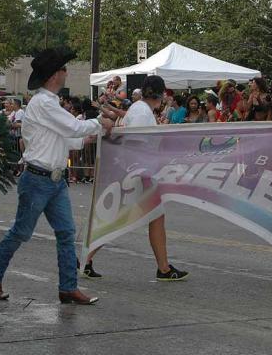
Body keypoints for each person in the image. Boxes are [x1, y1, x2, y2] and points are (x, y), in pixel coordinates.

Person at [0, 47, 113, 303]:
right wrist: (99, 122)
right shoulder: (44, 103)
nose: (66, 73)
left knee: (65, 232)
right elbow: (73, 127)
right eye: (64, 69)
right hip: (38, 179)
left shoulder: (48, 103)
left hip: (53, 179)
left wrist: (88, 136)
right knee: (22, 232)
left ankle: (68, 287)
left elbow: (64, 136)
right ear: (55, 75)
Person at [80, 75, 190, 282]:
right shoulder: (142, 112)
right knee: (124, 219)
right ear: (160, 94)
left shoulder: (140, 109)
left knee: (132, 218)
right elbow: (135, 143)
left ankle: (86, 259)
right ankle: (163, 269)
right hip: (138, 174)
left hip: (137, 172)